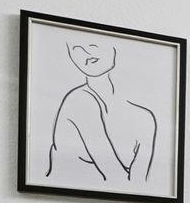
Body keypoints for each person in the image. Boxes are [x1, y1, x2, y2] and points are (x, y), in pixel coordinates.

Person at [46, 38, 158, 187]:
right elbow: (116, 179)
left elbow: (140, 188)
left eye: (94, 42)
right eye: (75, 46)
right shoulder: (78, 101)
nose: (85, 50)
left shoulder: (145, 118)